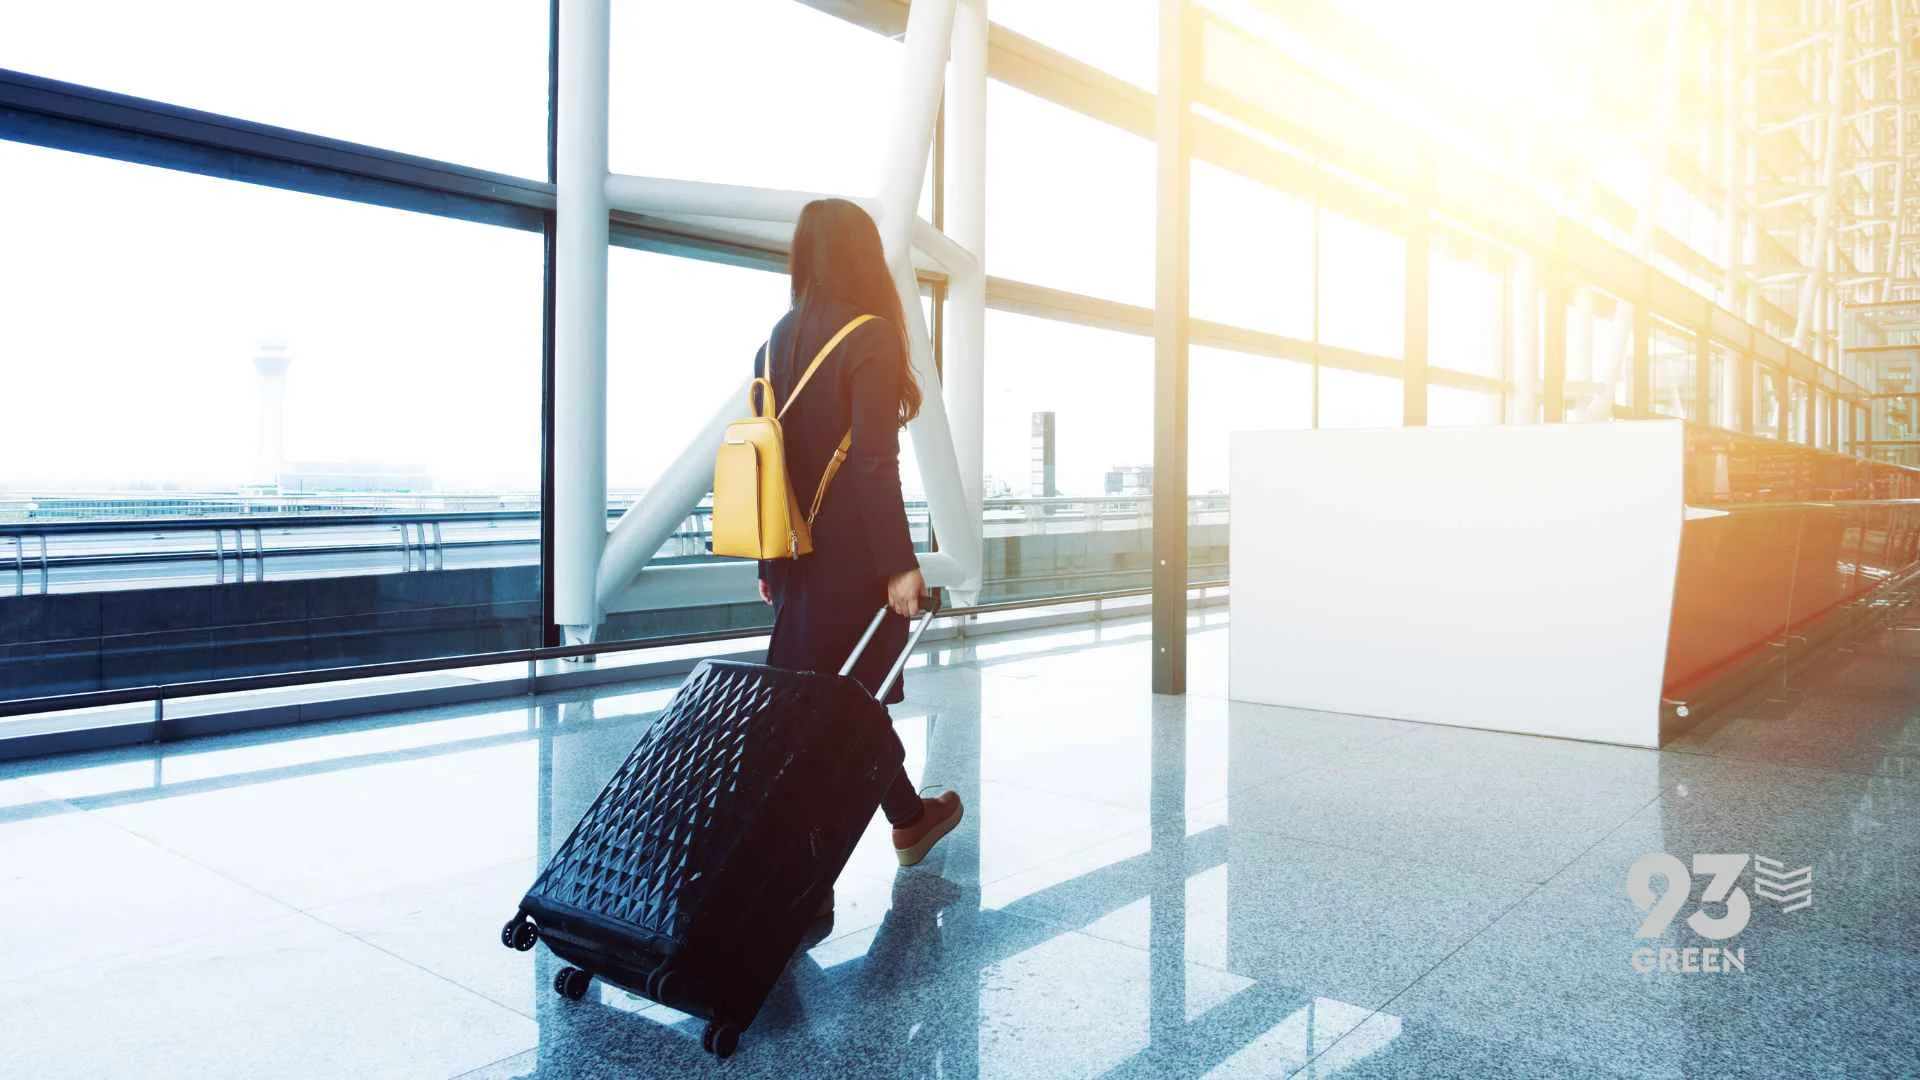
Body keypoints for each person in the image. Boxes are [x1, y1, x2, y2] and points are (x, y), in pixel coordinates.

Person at [754, 198, 964, 893]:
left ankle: (906, 822)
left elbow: (767, 469)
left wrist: (768, 564)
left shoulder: (773, 344)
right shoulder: (869, 336)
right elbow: (875, 463)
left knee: (835, 707)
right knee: (846, 710)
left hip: (791, 560)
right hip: (849, 564)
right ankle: (809, 877)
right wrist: (900, 567)